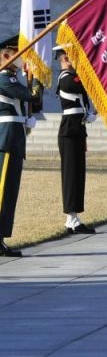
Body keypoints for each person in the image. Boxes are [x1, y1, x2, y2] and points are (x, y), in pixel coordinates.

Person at [0, 35, 42, 257]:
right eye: (17, 53)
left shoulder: (12, 78)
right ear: (6, 55)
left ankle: (1, 239)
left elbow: (34, 101)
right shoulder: (3, 78)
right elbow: (31, 96)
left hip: (14, 139)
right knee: (2, 191)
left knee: (9, 193)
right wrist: (38, 75)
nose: (21, 57)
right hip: (6, 140)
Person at [55, 46, 97, 234]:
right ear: (64, 58)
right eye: (73, 56)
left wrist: (88, 114)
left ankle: (74, 218)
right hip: (69, 132)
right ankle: (71, 219)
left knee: (78, 175)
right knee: (71, 176)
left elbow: (83, 97)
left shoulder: (74, 77)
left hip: (77, 130)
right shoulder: (66, 78)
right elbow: (86, 85)